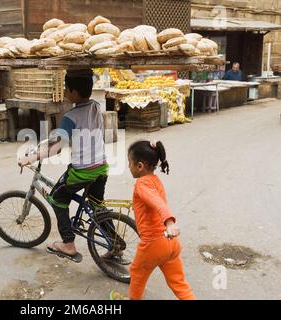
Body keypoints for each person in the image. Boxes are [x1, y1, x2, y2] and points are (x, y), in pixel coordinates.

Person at [18, 69, 108, 262]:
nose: (66, 91)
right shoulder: (96, 106)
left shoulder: (71, 116)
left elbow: (56, 148)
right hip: (101, 166)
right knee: (97, 206)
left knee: (57, 199)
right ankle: (114, 242)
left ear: (74, 92)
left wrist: (30, 158)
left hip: (82, 171)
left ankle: (68, 243)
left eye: (67, 88)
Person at [126, 140, 195, 300]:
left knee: (137, 273)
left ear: (140, 166)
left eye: (129, 162)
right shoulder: (155, 180)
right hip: (171, 244)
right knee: (179, 283)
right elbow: (154, 201)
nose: (128, 166)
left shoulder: (141, 184)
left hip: (153, 244)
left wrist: (169, 222)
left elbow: (157, 203)